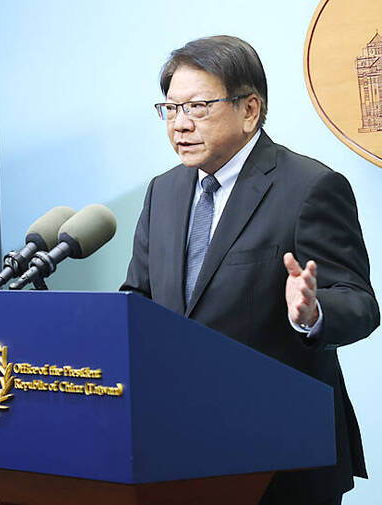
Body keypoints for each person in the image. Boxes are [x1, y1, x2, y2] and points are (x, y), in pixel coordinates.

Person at [121, 35, 379, 505]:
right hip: (180, 449)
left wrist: (312, 313)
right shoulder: (164, 192)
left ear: (249, 110)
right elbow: (136, 299)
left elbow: (360, 303)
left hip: (282, 455)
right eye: (170, 108)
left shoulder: (311, 187)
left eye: (197, 107)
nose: (180, 124)